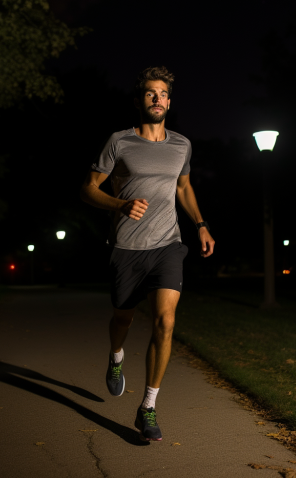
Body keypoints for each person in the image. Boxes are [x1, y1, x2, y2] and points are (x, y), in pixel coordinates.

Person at [80, 66, 215, 441]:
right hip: (127, 247)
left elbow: (184, 187)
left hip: (168, 245)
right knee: (122, 317)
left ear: (170, 102)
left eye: (163, 94)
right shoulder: (119, 142)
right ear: (140, 100)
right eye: (150, 93)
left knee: (166, 321)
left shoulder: (182, 145)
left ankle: (148, 407)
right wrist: (118, 205)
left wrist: (200, 223)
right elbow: (88, 189)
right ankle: (116, 356)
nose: (157, 99)